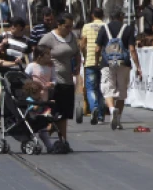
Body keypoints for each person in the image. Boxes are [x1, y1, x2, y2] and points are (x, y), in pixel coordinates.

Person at [38, 13, 81, 152]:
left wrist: (78, 66)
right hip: (53, 81)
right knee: (54, 112)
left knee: (65, 113)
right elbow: (38, 54)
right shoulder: (49, 38)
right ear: (59, 24)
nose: (70, 29)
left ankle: (63, 141)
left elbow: (76, 52)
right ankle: (45, 135)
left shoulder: (71, 37)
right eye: (67, 26)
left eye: (71, 26)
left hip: (68, 79)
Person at [95, 6, 142, 131]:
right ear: (121, 17)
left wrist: (96, 61)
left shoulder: (104, 28)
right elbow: (132, 49)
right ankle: (118, 119)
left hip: (107, 63)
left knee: (107, 89)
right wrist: (138, 67)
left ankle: (111, 110)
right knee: (121, 92)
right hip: (124, 63)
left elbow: (97, 49)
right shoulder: (128, 29)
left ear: (110, 17)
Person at [78, 8, 107, 125]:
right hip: (104, 61)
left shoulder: (86, 26)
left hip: (90, 60)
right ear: (103, 16)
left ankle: (93, 107)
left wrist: (83, 53)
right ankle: (100, 116)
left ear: (92, 15)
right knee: (101, 88)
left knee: (90, 88)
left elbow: (83, 43)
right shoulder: (106, 26)